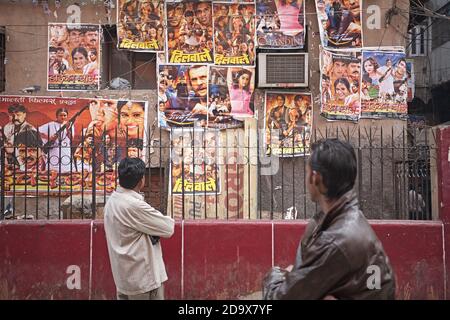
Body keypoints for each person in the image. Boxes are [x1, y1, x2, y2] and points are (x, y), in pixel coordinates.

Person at [262, 139, 396, 300]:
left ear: (315, 178)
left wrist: (277, 275)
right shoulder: (348, 219)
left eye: (306, 172)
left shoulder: (335, 240)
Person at [104, 157, 175, 300]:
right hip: (143, 280)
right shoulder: (134, 205)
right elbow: (168, 228)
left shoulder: (112, 201)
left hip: (123, 278)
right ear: (141, 181)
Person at [39, 108, 74, 173]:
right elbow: (38, 132)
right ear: (57, 116)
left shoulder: (69, 125)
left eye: (64, 115)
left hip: (65, 151)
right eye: (61, 115)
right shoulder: (50, 124)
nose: (63, 117)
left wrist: (67, 128)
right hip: (54, 150)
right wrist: (49, 138)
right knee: (52, 171)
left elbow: (71, 138)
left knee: (66, 170)